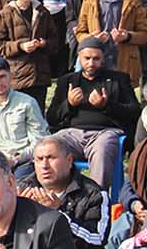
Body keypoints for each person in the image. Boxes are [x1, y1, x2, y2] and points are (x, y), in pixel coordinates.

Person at [48, 38, 139, 192]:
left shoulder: (118, 79)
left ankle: (96, 199)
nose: (91, 63)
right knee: (50, 146)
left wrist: (107, 106)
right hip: (72, 134)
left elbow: (134, 111)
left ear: (103, 58)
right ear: (79, 58)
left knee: (102, 149)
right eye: (87, 58)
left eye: (96, 59)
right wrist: (69, 104)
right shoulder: (67, 81)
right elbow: (51, 117)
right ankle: (57, 194)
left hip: (105, 133)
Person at [15, 134, 111, 249]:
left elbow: (96, 241)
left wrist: (58, 214)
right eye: (39, 159)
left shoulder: (93, 194)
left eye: (51, 158)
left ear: (69, 160)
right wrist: (16, 210)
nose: (44, 165)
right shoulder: (21, 188)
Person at [0, 0, 62, 109]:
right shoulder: (5, 15)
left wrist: (44, 44)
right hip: (17, 76)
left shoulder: (42, 12)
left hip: (39, 75)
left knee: (38, 117)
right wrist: (20, 46)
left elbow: (55, 41)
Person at [0, 57, 48, 168]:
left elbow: (40, 140)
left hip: (25, 161)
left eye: (2, 76)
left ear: (10, 76)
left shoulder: (27, 103)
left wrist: (17, 159)